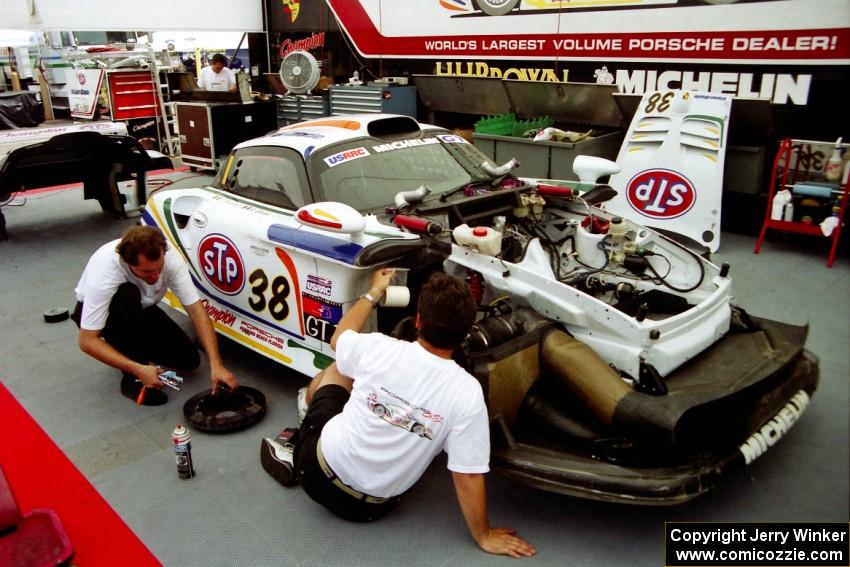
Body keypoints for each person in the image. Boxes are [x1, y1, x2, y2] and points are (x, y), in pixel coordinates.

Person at [261, 270, 535, 558]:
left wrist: (375, 291)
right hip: (367, 509)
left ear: (418, 321)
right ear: (467, 333)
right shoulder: (467, 392)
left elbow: (338, 338)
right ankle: (306, 434)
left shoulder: (379, 348)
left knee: (337, 369)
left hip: (314, 472)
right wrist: (483, 535)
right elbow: (467, 475)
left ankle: (297, 437)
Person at [72, 225, 237, 405]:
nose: (156, 276)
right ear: (128, 263)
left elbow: (197, 311)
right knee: (126, 296)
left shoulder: (170, 258)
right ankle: (131, 379)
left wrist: (217, 364)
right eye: (147, 272)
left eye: (158, 268)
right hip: (108, 315)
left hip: (142, 309)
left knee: (189, 361)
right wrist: (137, 368)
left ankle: (129, 352)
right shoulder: (106, 269)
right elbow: (87, 341)